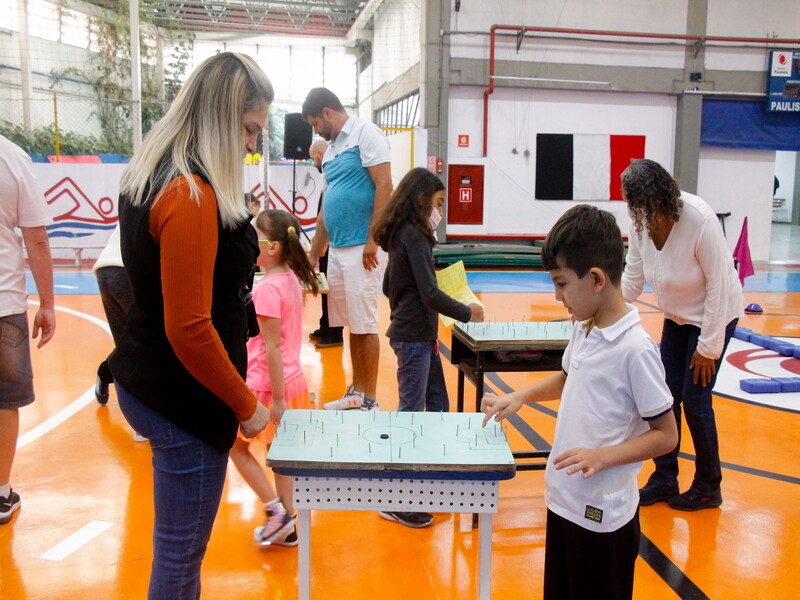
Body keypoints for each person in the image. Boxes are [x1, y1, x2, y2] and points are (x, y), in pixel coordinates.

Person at [107, 52, 272, 597]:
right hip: (183, 399)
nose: (252, 144)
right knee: (180, 558)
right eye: (249, 129)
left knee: (176, 549)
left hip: (156, 380)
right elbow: (190, 329)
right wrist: (246, 405)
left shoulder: (157, 174)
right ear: (222, 119)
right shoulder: (190, 193)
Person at [481, 204, 678, 600]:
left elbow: (666, 435)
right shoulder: (584, 327)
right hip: (565, 501)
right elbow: (570, 376)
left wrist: (604, 456)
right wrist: (521, 396)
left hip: (603, 517)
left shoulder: (635, 349)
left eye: (562, 284)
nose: (557, 296)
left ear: (596, 279)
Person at [621, 158, 744, 511]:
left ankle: (708, 485)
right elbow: (632, 279)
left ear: (656, 198)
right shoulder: (640, 222)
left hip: (713, 316)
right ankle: (664, 478)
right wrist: (603, 307)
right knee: (664, 396)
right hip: (677, 317)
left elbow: (719, 286)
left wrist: (708, 346)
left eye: (636, 203)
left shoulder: (700, 220)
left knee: (696, 399)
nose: (632, 212)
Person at [373, 167, 484, 529]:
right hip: (415, 337)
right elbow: (430, 293)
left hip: (419, 335)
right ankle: (397, 500)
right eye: (438, 203)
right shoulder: (416, 237)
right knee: (412, 414)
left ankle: (429, 478)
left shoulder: (401, 236)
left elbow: (390, 286)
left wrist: (413, 312)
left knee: (437, 405)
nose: (440, 211)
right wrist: (469, 312)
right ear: (422, 200)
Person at [229, 209, 319, 547]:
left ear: (274, 247)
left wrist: (277, 399)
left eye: (256, 237)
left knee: (234, 447)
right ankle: (289, 523)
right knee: (279, 454)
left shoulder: (267, 289)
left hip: (267, 386)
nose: (251, 243)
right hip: (290, 380)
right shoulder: (292, 280)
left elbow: (271, 347)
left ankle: (276, 511)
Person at [303, 87, 392, 411]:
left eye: (315, 123)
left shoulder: (366, 134)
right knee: (352, 323)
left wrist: (374, 239)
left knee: (365, 323)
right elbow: (328, 204)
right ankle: (358, 391)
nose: (316, 131)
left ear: (327, 112)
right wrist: (315, 253)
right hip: (338, 251)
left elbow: (385, 185)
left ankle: (369, 399)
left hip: (361, 248)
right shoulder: (330, 150)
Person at [0, 134, 56, 526]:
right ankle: (1, 493)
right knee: (5, 401)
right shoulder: (12, 157)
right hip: (4, 302)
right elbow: (35, 237)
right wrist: (48, 304)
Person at [92, 224, 134, 406]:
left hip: (106, 268)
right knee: (146, 342)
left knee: (127, 344)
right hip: (125, 269)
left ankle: (105, 373)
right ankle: (142, 417)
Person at [307, 138, 343, 348]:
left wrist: (323, 241)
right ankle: (326, 325)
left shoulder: (332, 174)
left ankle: (334, 332)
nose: (313, 164)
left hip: (333, 243)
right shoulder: (328, 177)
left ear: (320, 155)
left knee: (332, 288)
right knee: (325, 286)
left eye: (313, 159)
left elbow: (328, 214)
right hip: (327, 242)